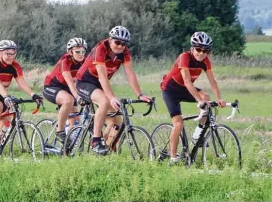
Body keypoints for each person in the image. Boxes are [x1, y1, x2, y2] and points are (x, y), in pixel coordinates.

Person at [75, 26, 151, 155]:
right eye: (117, 42)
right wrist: (111, 97)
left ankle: (105, 150)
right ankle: (95, 140)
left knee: (116, 120)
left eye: (124, 43)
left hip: (99, 85)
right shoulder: (101, 49)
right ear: (110, 40)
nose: (120, 46)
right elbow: (102, 76)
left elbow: (130, 74)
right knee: (104, 101)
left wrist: (140, 94)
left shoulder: (124, 52)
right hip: (85, 82)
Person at [160, 31, 226, 163]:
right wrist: (198, 100)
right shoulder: (184, 57)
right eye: (198, 49)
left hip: (185, 89)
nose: (201, 53)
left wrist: (219, 98)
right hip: (171, 90)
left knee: (207, 97)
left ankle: (197, 135)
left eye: (205, 50)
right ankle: (173, 158)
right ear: (192, 49)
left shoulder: (205, 61)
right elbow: (187, 81)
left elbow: (212, 81)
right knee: (178, 123)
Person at [42, 37, 87, 148]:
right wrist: (77, 96)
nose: (81, 54)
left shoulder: (84, 62)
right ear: (70, 52)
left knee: (75, 120)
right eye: (77, 52)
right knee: (69, 100)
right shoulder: (65, 61)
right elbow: (70, 81)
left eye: (83, 51)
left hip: (67, 89)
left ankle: (68, 148)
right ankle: (60, 131)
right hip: (52, 87)